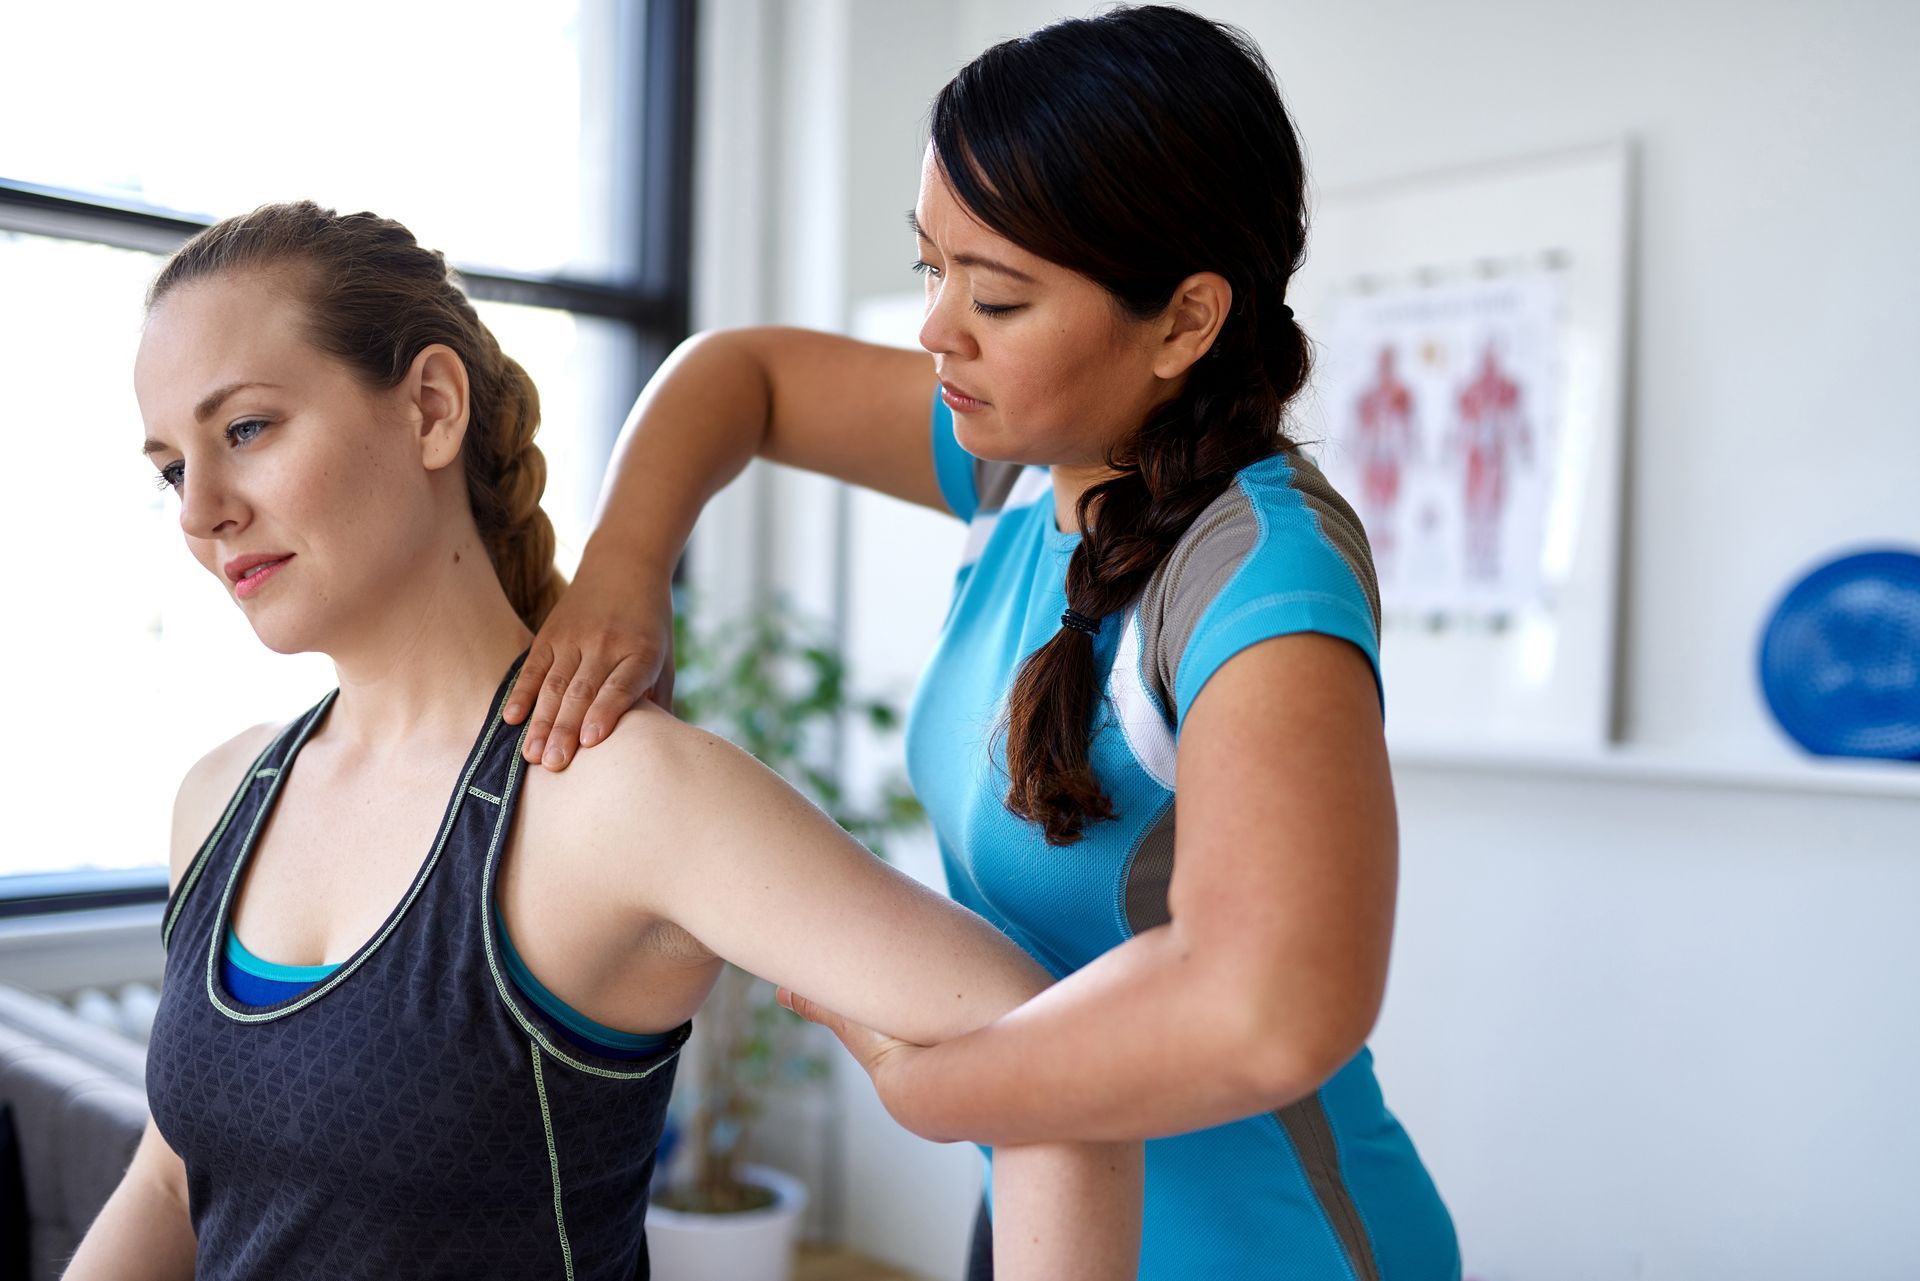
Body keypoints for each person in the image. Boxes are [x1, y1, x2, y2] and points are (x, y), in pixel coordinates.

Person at [501, 6, 1462, 1279]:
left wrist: (931, 1093)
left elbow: (1277, 1008)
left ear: (1184, 321)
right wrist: (624, 567)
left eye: (997, 296)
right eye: (931, 270)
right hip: (1042, 1209)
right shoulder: (1029, 468)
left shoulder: (1256, 575)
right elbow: (741, 377)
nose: (936, 330)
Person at [65, 201, 1140, 1281]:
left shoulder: (611, 794)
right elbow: (172, 1180)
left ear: (431, 409)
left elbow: (1066, 1073)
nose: (200, 510)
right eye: (170, 470)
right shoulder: (219, 799)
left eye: (245, 430)